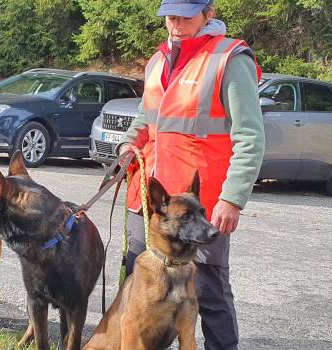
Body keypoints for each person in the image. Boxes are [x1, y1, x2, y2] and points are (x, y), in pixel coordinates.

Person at [117, 0, 265, 348]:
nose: (176, 25)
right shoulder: (158, 59)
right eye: (171, 17)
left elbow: (251, 136)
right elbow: (146, 118)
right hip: (151, 202)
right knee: (138, 288)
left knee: (208, 290)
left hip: (201, 204)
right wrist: (127, 145)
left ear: (208, 15)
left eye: (186, 17)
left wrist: (233, 197)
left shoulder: (230, 59)